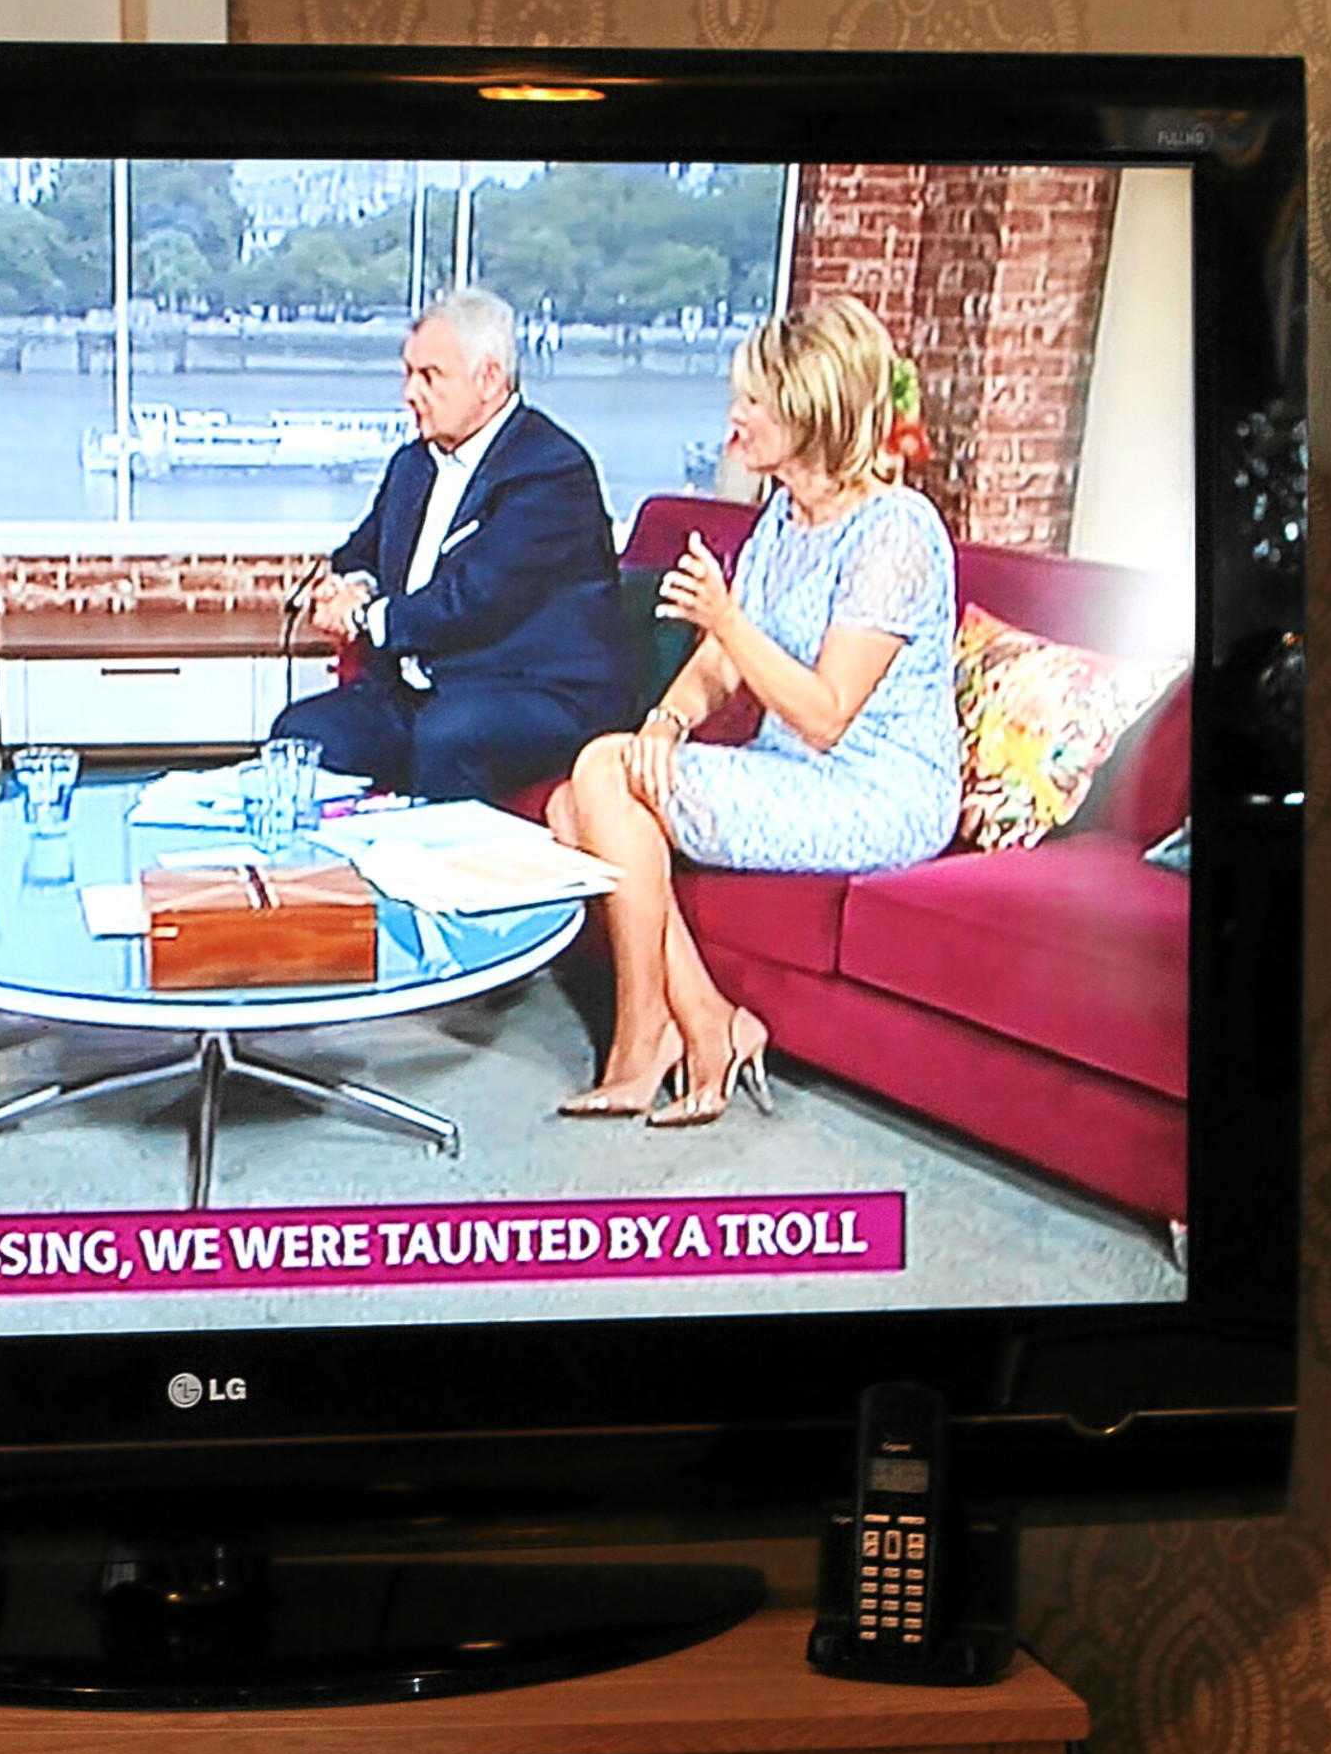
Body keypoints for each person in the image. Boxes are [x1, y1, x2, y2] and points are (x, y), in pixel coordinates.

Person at [546, 294, 960, 1127]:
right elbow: (721, 664)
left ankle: (649, 1037)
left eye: (755, 403)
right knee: (573, 802)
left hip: (878, 793)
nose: (734, 416)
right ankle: (705, 1021)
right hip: (792, 771)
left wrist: (727, 617)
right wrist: (665, 722)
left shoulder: (896, 534)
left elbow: (827, 715)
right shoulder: (784, 516)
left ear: (812, 415)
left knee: (595, 778)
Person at [272, 287, 627, 803]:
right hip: (424, 690)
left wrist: (363, 617)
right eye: (408, 374)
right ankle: (330, 877)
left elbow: (472, 602)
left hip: (534, 691)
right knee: (303, 734)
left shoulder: (550, 472)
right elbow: (360, 552)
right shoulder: (413, 464)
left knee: (449, 735)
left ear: (488, 380)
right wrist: (348, 587)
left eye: (429, 377)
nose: (410, 393)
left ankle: (435, 878)